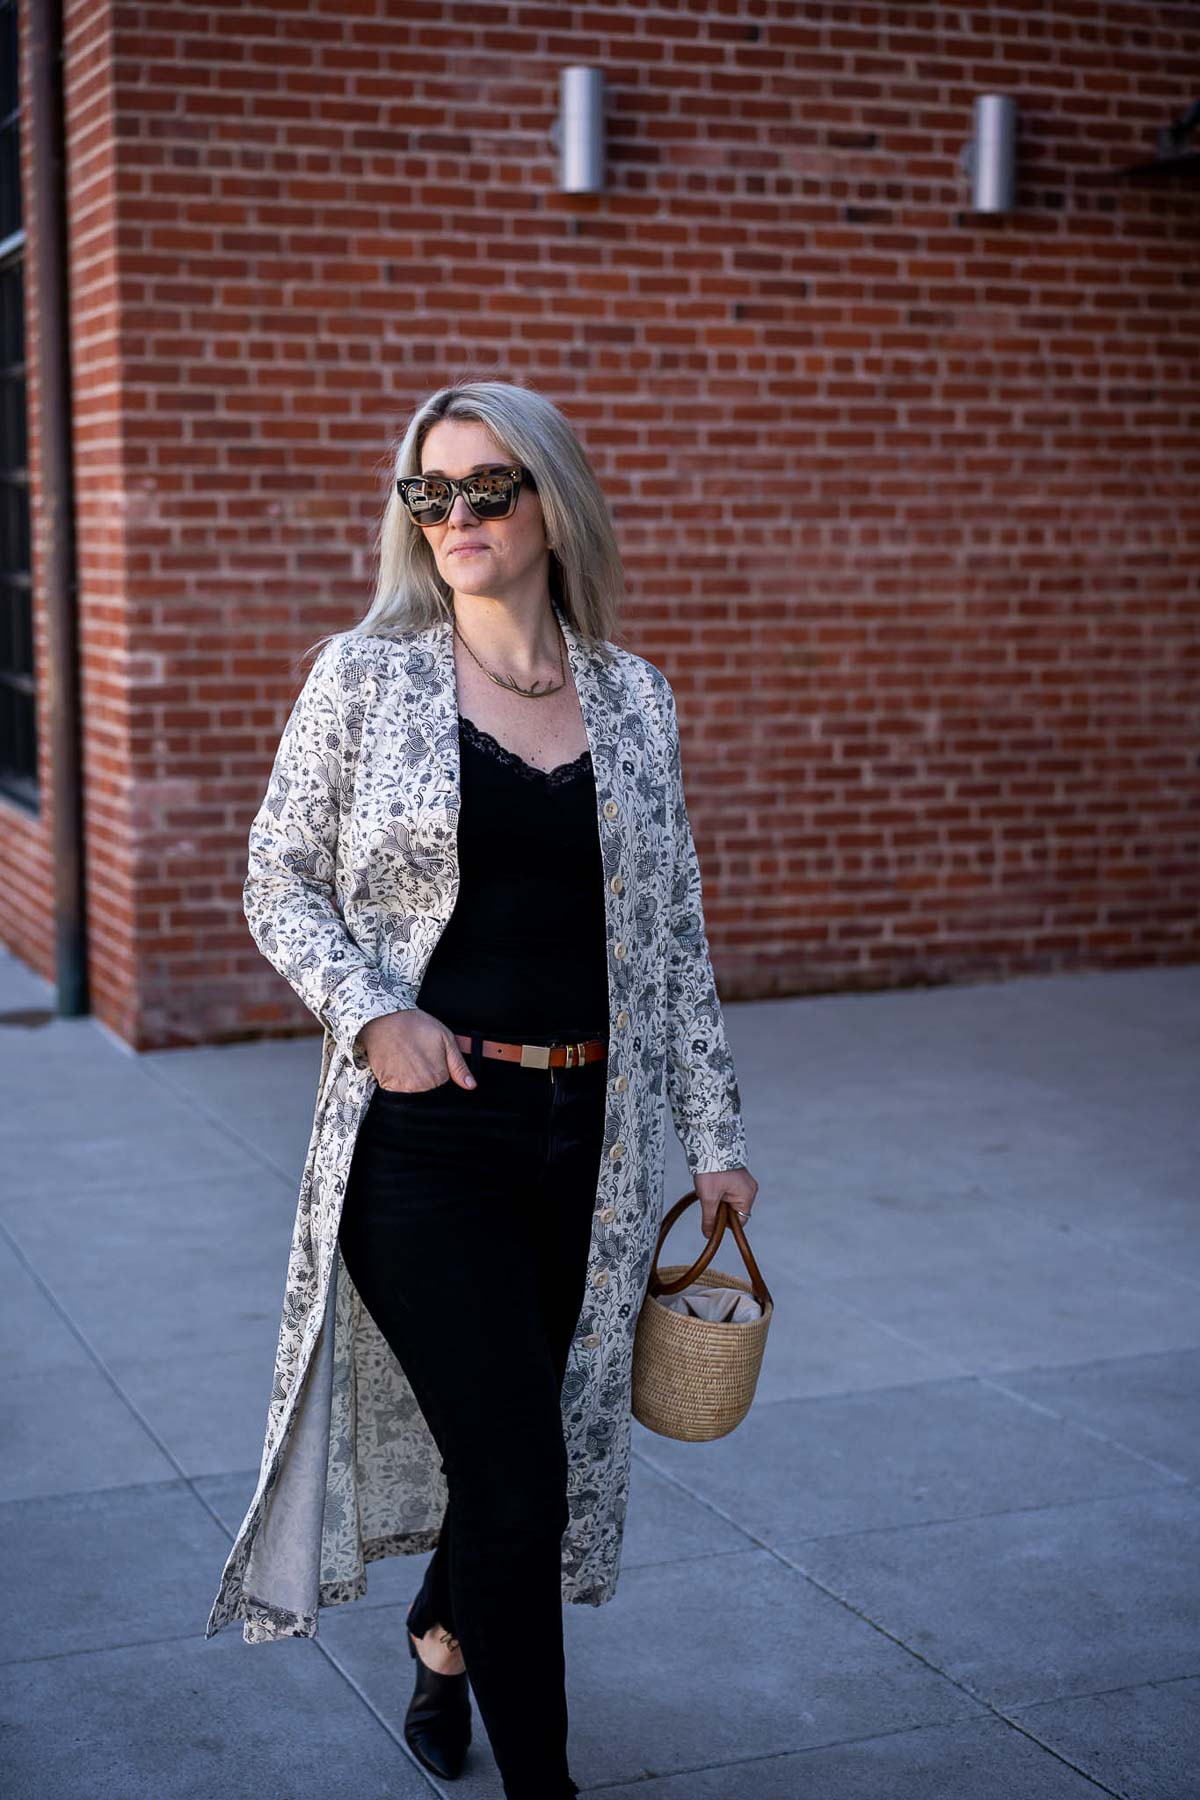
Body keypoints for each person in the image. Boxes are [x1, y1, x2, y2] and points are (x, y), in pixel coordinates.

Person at [212, 378, 758, 1800]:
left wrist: (715, 1134)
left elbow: (675, 933)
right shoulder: (366, 677)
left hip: (590, 1136)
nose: (453, 515)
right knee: (520, 1473)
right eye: (428, 493)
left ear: (554, 503)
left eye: (486, 487)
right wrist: (374, 1010)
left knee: (510, 1440)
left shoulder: (635, 700)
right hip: (425, 1142)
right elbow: (277, 876)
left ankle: (446, 1641)